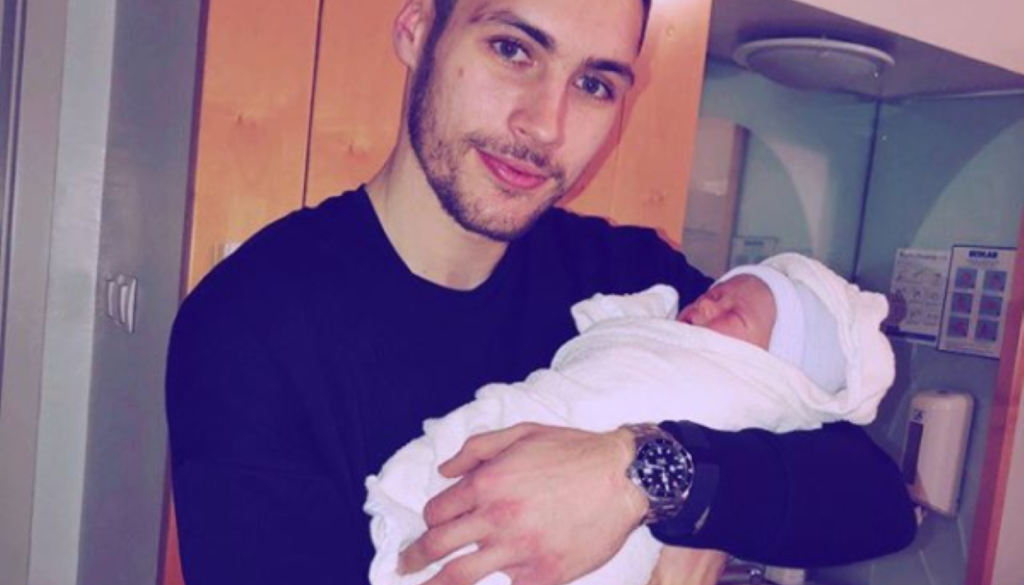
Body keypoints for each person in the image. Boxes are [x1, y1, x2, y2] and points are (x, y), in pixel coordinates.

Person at [165, 0, 916, 584]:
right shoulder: (249, 326)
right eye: (512, 49)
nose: (546, 125)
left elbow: (874, 498)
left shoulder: (630, 278)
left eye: (593, 84)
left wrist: (638, 474)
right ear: (418, 30)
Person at [366, 254, 896, 585]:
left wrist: (652, 474)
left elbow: (878, 501)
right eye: (712, 296)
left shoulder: (620, 260)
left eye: (729, 310)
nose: (703, 308)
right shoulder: (312, 290)